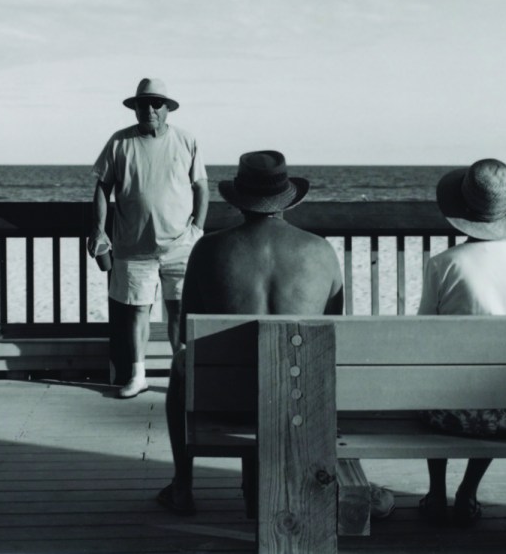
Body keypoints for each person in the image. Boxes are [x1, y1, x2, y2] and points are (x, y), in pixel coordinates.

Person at [155, 150, 349, 516]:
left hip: (226, 402)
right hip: (300, 400)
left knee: (181, 366)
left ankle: (182, 483)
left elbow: (185, 333)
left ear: (239, 200)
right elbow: (332, 333)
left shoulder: (209, 249)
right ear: (287, 199)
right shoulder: (321, 251)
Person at [416, 158, 506, 527]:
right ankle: (468, 491)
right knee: (498, 382)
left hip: (450, 415)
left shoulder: (442, 264)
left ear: (461, 209)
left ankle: (435, 493)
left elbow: (423, 337)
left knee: (438, 381)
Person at [89, 78, 209, 399]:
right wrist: (98, 229)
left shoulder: (186, 141)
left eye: (157, 103)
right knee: (137, 311)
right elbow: (102, 187)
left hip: (181, 245)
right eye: (144, 103)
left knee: (179, 309)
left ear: (168, 108)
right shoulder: (119, 142)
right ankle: (137, 375)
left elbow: (201, 187)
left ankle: (181, 377)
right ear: (136, 108)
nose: (151, 109)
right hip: (132, 246)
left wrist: (198, 227)